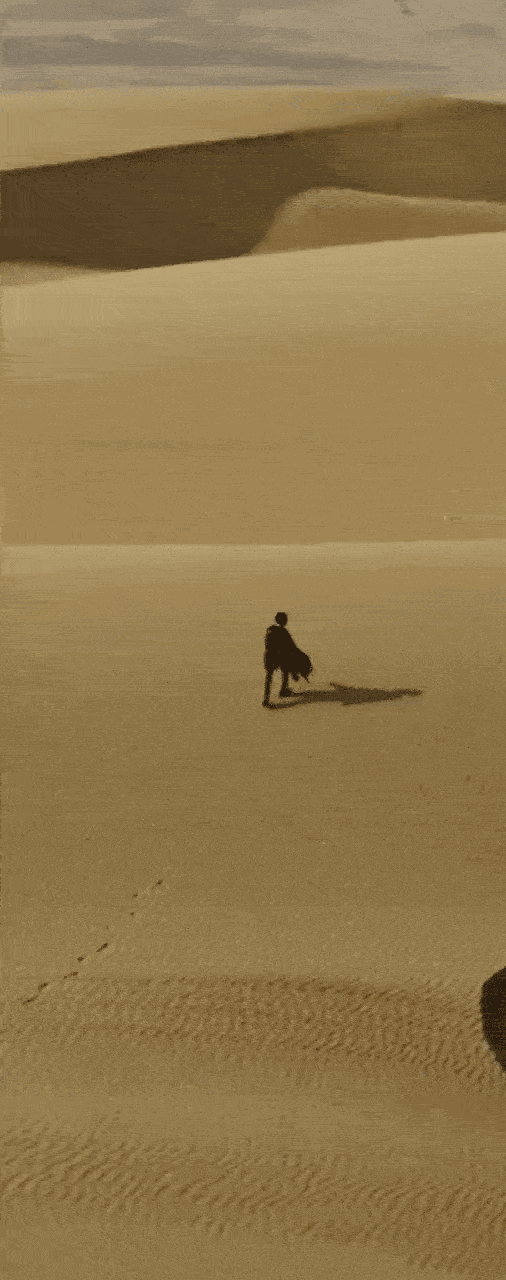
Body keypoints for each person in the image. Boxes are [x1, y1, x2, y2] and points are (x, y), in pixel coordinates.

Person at [263, 612, 312, 707]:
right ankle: (283, 691)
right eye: (285, 619)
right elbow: (292, 647)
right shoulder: (283, 632)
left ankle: (267, 699)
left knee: (269, 676)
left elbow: (268, 645)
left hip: (269, 656)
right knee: (285, 670)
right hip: (279, 656)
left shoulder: (270, 630)